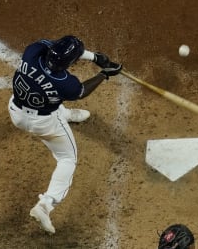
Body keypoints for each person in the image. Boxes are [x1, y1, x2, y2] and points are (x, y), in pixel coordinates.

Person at [8, 35, 122, 234]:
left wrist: (94, 57)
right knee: (67, 158)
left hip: (16, 112)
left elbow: (52, 47)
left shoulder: (32, 52)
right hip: (43, 123)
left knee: (47, 95)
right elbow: (82, 91)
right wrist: (104, 73)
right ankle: (45, 205)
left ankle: (65, 114)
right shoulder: (66, 84)